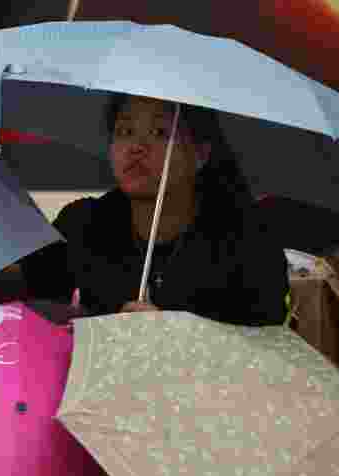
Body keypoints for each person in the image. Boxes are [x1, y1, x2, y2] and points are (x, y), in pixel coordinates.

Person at [21, 94, 289, 326]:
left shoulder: (248, 240)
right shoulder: (86, 222)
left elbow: (265, 345)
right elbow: (30, 291)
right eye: (125, 132)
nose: (137, 147)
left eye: (160, 133)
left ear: (201, 153)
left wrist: (174, 337)